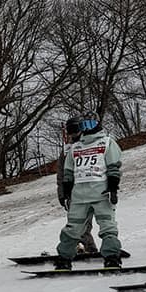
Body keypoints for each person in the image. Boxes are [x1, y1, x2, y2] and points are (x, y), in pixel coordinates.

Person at [55, 115, 123, 270]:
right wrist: (66, 193)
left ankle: (111, 256)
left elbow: (113, 166)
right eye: (84, 125)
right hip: (79, 196)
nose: (87, 128)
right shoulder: (75, 147)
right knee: (73, 228)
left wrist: (113, 188)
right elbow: (67, 172)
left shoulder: (106, 142)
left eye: (90, 124)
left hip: (101, 193)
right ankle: (64, 257)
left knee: (107, 225)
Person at [57, 116, 99, 254]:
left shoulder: (89, 144)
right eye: (71, 131)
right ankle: (82, 247)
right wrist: (62, 194)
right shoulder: (67, 150)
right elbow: (61, 174)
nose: (73, 134)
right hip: (72, 192)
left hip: (89, 189)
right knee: (76, 223)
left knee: (85, 223)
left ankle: (88, 247)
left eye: (75, 130)